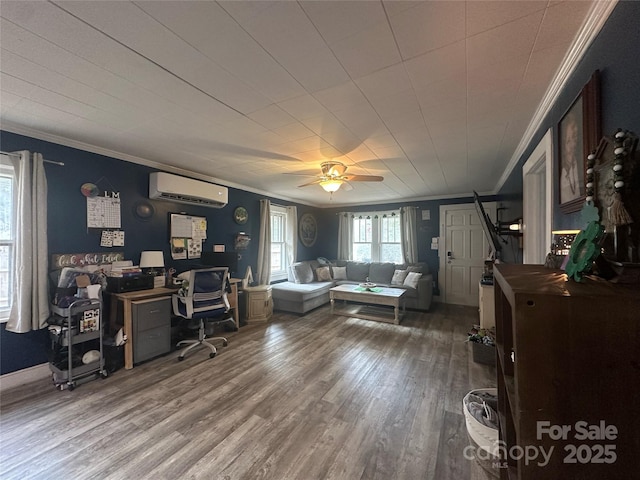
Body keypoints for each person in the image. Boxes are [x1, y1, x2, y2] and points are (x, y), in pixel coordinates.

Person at [560, 109, 583, 203]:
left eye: (575, 138)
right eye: (568, 141)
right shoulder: (561, 171)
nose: (573, 145)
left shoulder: (580, 163)